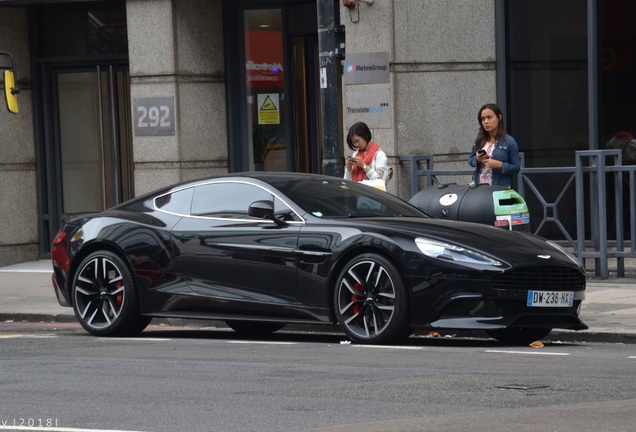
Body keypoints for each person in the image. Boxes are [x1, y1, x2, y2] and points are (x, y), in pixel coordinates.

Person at [468, 103, 520, 187]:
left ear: (499, 117)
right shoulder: (480, 139)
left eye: (489, 117)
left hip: (500, 189)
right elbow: (470, 160)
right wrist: (477, 159)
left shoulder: (509, 141)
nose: (486, 122)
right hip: (480, 188)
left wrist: (499, 165)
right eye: (483, 119)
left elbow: (516, 168)